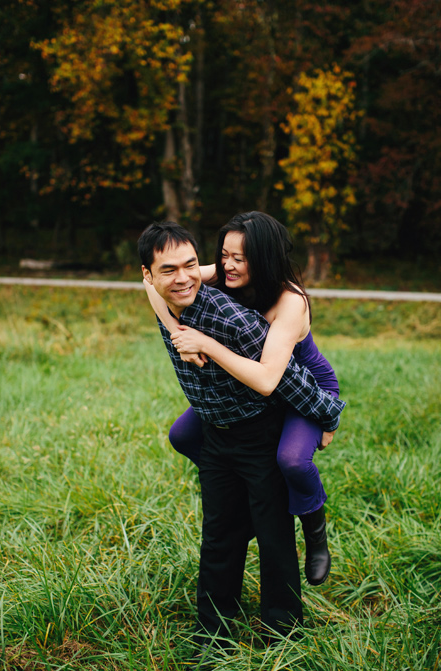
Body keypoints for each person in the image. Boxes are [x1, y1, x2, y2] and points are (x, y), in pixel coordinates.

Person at [137, 221, 345, 651]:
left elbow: (274, 380)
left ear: (263, 259)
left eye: (240, 257)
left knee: (282, 497)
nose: (227, 265)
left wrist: (327, 417)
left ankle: (285, 629)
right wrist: (178, 334)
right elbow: (155, 284)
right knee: (218, 525)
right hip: (226, 421)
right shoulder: (203, 275)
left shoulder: (288, 303)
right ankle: (213, 632)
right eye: (224, 255)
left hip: (298, 389)